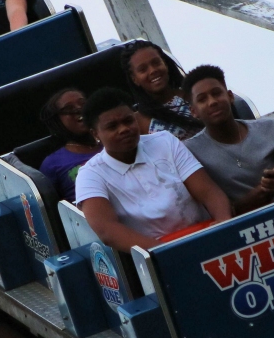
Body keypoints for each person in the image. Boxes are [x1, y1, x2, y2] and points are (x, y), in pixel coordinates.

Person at [74, 87, 232, 252]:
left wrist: (224, 222)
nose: (124, 129)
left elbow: (208, 190)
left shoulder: (165, 141)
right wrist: (168, 253)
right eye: (112, 126)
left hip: (205, 236)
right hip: (154, 257)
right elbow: (107, 231)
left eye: (128, 121)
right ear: (95, 134)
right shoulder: (89, 175)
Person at [182, 65, 274, 214]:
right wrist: (253, 199)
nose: (212, 102)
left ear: (230, 96)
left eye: (217, 93)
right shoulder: (189, 152)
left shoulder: (270, 128)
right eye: (202, 99)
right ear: (193, 111)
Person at [121, 40, 202, 140]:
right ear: (134, 79)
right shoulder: (138, 121)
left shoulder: (194, 96)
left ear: (165, 64)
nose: (153, 70)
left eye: (156, 63)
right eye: (143, 69)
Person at [38, 88, 102, 203]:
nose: (79, 109)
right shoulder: (52, 164)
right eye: (69, 108)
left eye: (83, 103)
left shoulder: (113, 139)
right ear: (58, 120)